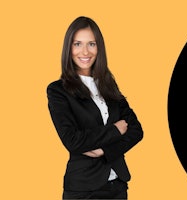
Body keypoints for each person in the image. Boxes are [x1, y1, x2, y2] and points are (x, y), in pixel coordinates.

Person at [47, 16, 143, 199]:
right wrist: (115, 130)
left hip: (118, 186)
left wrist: (104, 151)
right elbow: (73, 140)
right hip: (84, 189)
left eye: (91, 44)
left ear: (99, 48)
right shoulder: (58, 90)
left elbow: (137, 130)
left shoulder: (108, 85)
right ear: (69, 48)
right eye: (77, 44)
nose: (85, 51)